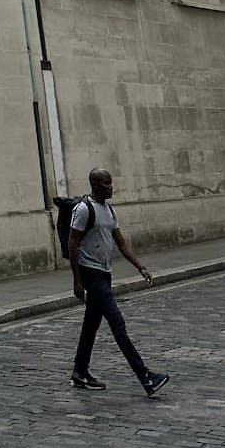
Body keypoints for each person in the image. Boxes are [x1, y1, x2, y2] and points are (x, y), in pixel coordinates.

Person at [69, 167, 169, 397]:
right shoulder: (84, 209)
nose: (110, 187)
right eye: (105, 183)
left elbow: (122, 244)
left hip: (104, 273)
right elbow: (72, 244)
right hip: (91, 274)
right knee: (117, 323)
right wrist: (77, 281)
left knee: (90, 326)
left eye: (110, 182)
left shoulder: (109, 210)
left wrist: (140, 266)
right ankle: (145, 377)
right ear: (94, 185)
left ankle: (79, 372)